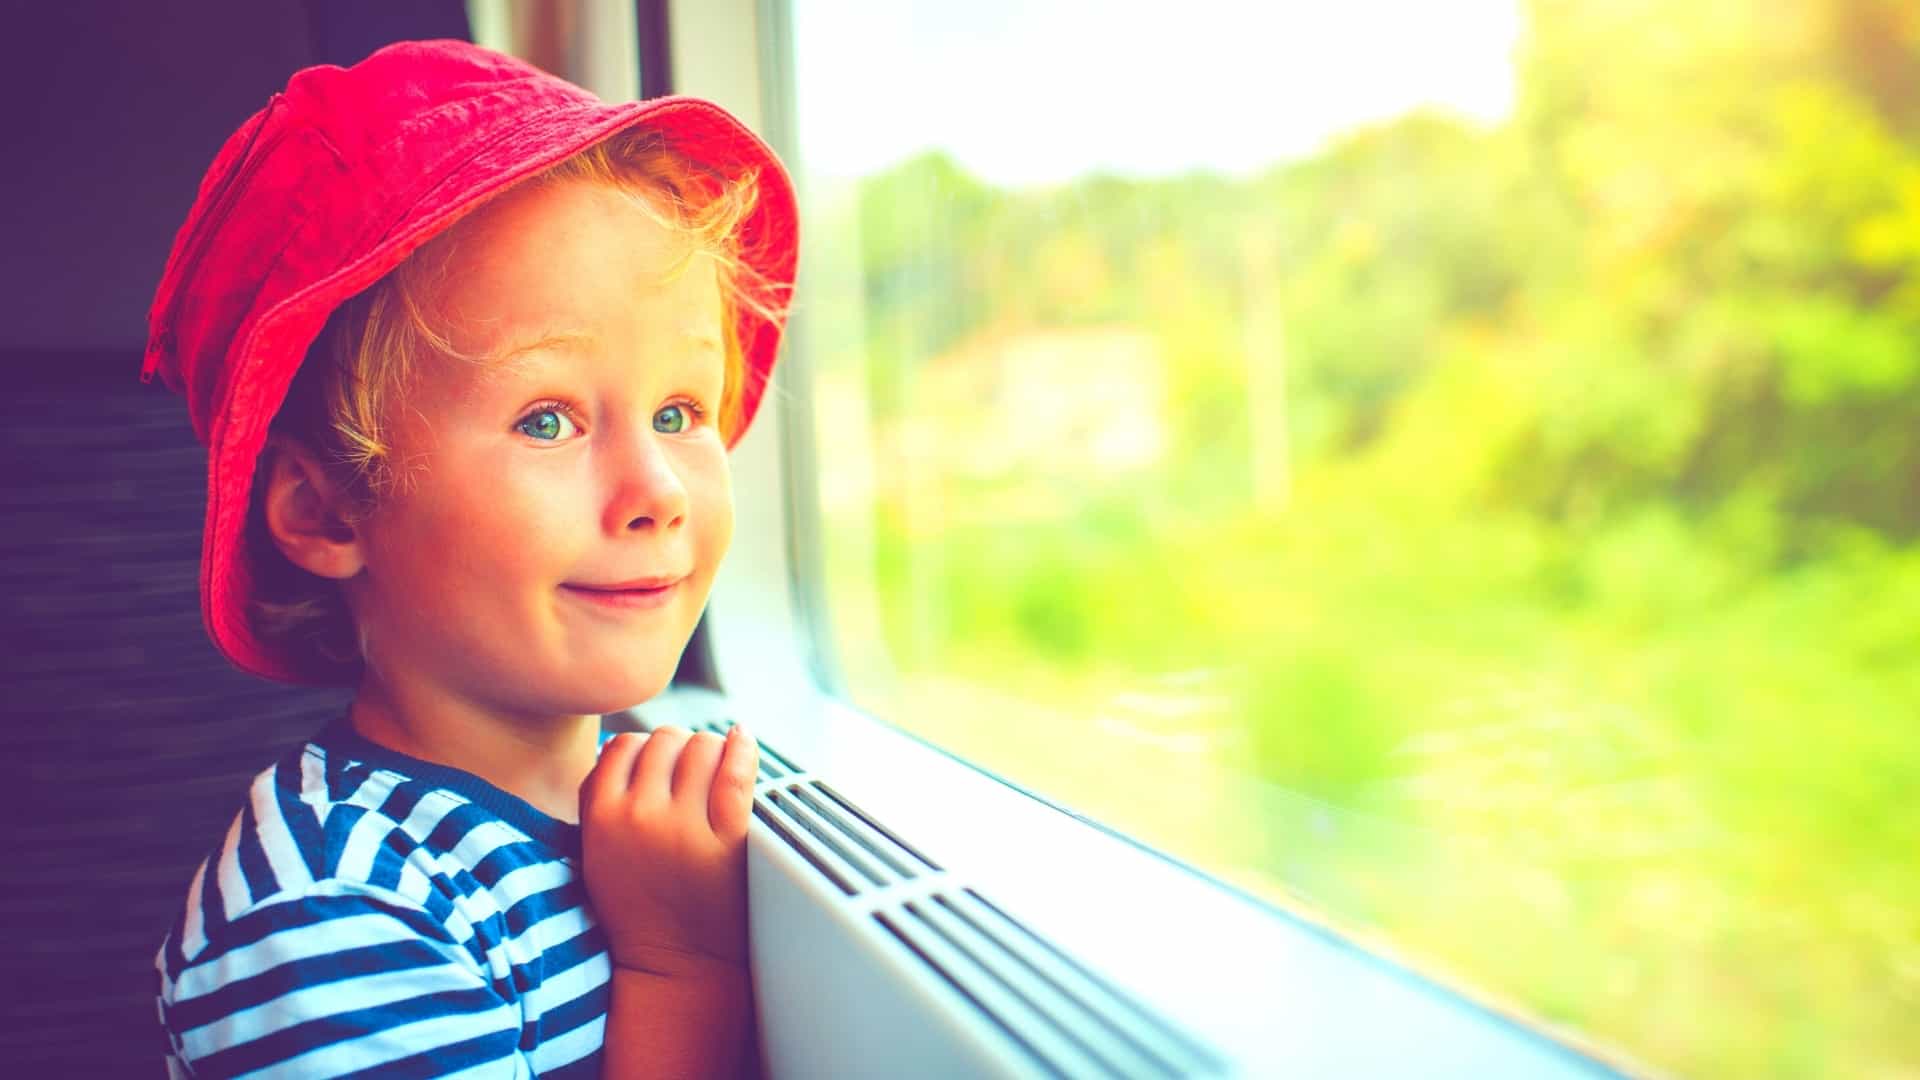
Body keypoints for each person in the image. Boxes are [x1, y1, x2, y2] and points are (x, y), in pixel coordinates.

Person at [145, 38, 798, 1078]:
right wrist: (685, 970)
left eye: (681, 411)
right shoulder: (331, 916)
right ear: (327, 513)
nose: (661, 492)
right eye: (548, 422)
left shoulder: (623, 795)